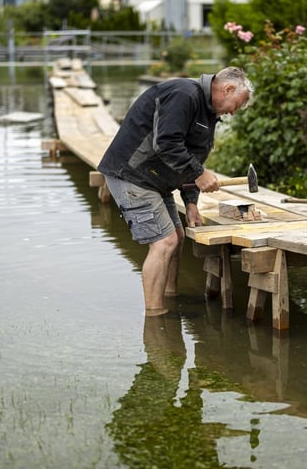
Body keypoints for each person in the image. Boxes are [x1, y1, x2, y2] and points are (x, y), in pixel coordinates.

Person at [98, 67, 254, 317]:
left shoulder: (207, 110)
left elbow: (192, 158)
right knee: (163, 242)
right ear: (227, 89)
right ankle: (155, 317)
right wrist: (200, 175)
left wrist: (191, 202)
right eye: (237, 104)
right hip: (132, 175)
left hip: (155, 180)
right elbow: (167, 144)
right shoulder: (184, 94)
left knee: (177, 236)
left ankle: (170, 299)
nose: (234, 112)